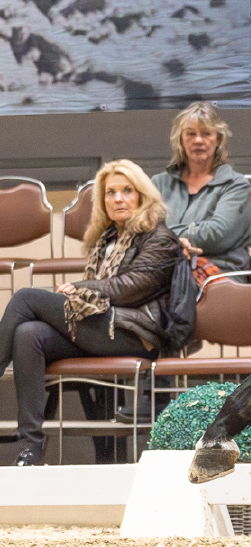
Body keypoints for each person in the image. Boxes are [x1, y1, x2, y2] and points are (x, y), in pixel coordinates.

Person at [0, 161, 181, 465]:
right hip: (100, 328)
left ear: (142, 196)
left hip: (134, 333)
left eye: (127, 191)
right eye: (110, 193)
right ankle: (29, 447)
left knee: (25, 298)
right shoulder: (106, 239)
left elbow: (131, 287)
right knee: (27, 333)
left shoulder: (160, 238)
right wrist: (85, 290)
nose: (118, 198)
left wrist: (82, 287)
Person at [152, 102, 251, 277]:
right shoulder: (159, 183)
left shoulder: (236, 185)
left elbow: (217, 234)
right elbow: (142, 229)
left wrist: (166, 239)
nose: (198, 140)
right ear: (181, 140)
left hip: (219, 271)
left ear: (218, 140)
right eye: (191, 134)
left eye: (206, 133)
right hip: (167, 267)